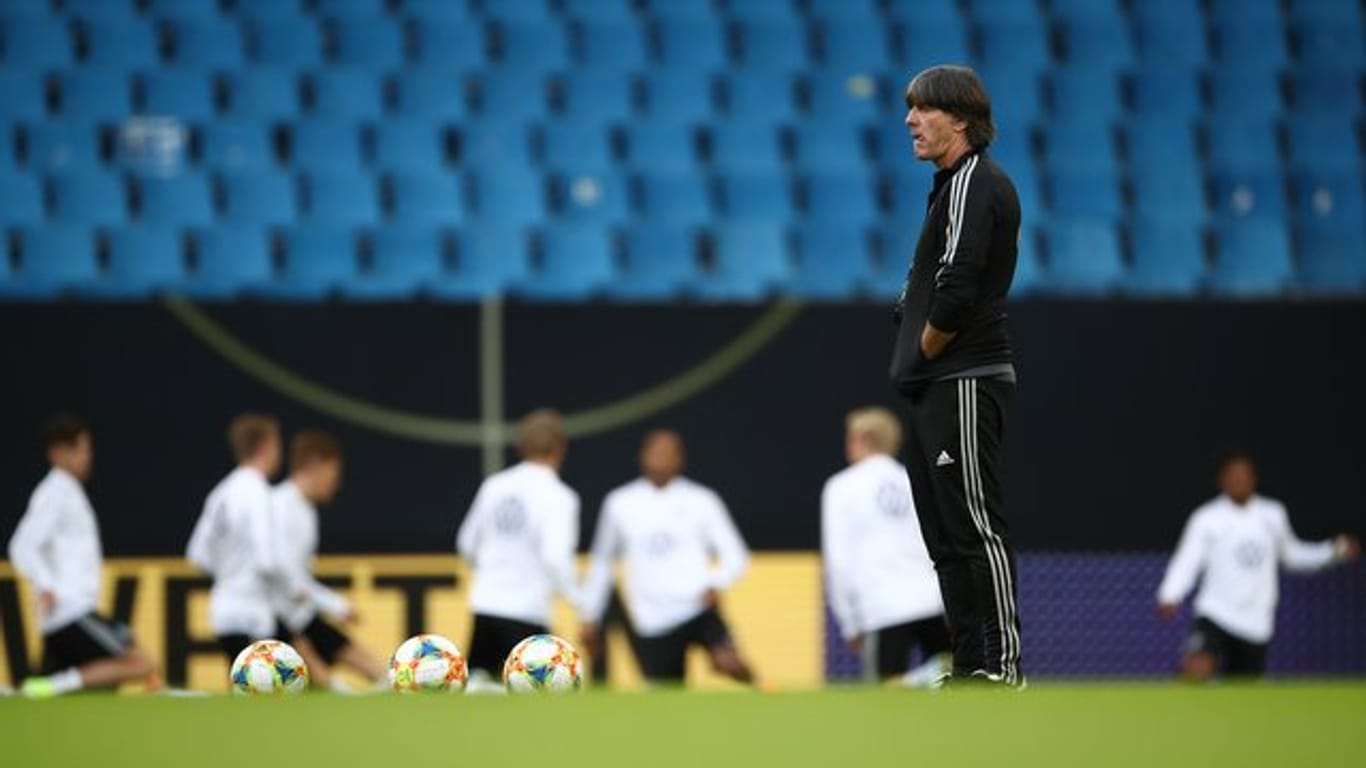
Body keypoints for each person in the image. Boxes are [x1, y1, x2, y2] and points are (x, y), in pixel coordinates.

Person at [887, 64, 1024, 688]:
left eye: (923, 110)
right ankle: (968, 664)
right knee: (945, 536)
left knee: (975, 525)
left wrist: (925, 344)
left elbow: (959, 284)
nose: (910, 121)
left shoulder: (974, 181)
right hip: (934, 384)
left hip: (963, 376)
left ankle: (1001, 665)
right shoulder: (948, 186)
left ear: (960, 120)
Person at [1157, 452, 1360, 681]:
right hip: (1215, 612)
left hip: (1256, 622)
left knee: (1244, 692)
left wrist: (1332, 552)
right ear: (1221, 480)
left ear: (1254, 479)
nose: (1237, 480)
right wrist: (1170, 593)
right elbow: (1187, 559)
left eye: (1243, 475)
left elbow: (1292, 555)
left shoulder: (1273, 514)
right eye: (1232, 475)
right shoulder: (1206, 518)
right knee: (1197, 669)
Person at [581, 430, 754, 686]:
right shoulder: (620, 503)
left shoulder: (702, 501)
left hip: (697, 607)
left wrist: (716, 582)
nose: (661, 458)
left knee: (729, 661)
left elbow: (736, 556)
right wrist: (589, 615)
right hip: (653, 619)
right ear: (642, 456)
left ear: (680, 459)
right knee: (667, 690)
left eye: (668, 452)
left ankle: (763, 693)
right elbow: (601, 563)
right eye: (655, 451)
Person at [7, 413, 159, 698]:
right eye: (81, 448)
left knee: (84, 685)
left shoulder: (67, 491)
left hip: (71, 611)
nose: (88, 456)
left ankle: (43, 687)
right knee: (140, 661)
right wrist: (45, 584)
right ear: (59, 453)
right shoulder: (55, 492)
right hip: (70, 610)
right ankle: (52, 686)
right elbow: (21, 546)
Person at [822, 407, 950, 687]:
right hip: (933, 600)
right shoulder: (915, 480)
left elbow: (838, 560)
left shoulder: (841, 487)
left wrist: (849, 621)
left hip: (882, 607)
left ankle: (916, 681)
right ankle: (926, 679)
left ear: (863, 440)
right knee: (954, 689)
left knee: (886, 700)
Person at [456, 409, 583, 688]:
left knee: (479, 691)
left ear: (521, 446)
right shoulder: (560, 497)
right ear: (561, 448)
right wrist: (581, 604)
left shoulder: (494, 486)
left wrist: (493, 571)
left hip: (485, 607)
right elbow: (555, 558)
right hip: (528, 611)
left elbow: (466, 543)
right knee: (540, 694)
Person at [270, 429, 386, 691]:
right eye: (333, 473)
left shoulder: (304, 510)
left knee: (358, 658)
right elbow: (286, 577)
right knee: (319, 678)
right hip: (273, 614)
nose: (336, 483)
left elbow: (297, 581)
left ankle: (399, 686)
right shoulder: (278, 507)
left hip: (294, 611)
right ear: (314, 466)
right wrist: (336, 605)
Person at [186, 413, 298, 664]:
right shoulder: (258, 492)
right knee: (274, 687)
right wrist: (293, 588)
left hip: (223, 609)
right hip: (254, 614)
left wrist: (230, 575)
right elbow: (267, 560)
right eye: (277, 445)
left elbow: (197, 555)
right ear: (264, 446)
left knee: (241, 689)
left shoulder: (222, 492)